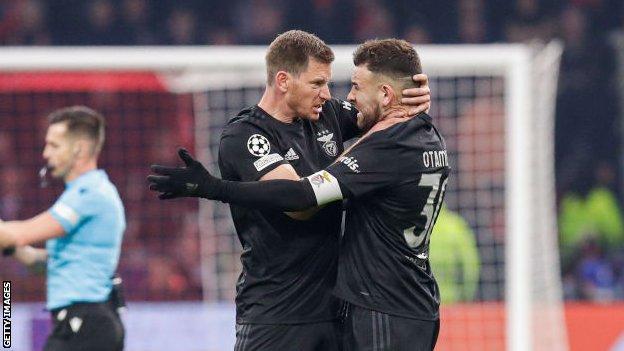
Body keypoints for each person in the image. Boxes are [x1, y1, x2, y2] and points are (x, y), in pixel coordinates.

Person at [149, 38, 448, 351]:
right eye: (317, 83)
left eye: (328, 83)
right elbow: (299, 206)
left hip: (335, 313)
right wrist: (214, 188)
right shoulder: (248, 135)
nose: (328, 94)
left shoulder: (326, 115)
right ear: (283, 81)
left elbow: (377, 114)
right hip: (277, 313)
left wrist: (410, 99)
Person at [0, 106, 126, 351]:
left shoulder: (88, 194)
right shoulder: (85, 193)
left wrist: (9, 237)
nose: (46, 153)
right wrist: (11, 247)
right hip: (85, 323)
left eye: (54, 145)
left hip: (86, 324)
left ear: (78, 148)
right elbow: (42, 261)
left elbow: (20, 233)